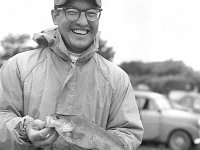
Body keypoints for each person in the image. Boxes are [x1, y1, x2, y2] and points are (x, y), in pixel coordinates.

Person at [0, 0, 144, 149]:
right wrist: (24, 130)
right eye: (72, 12)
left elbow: (129, 134)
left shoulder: (118, 79)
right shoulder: (17, 66)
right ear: (55, 15)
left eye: (91, 13)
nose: (83, 21)